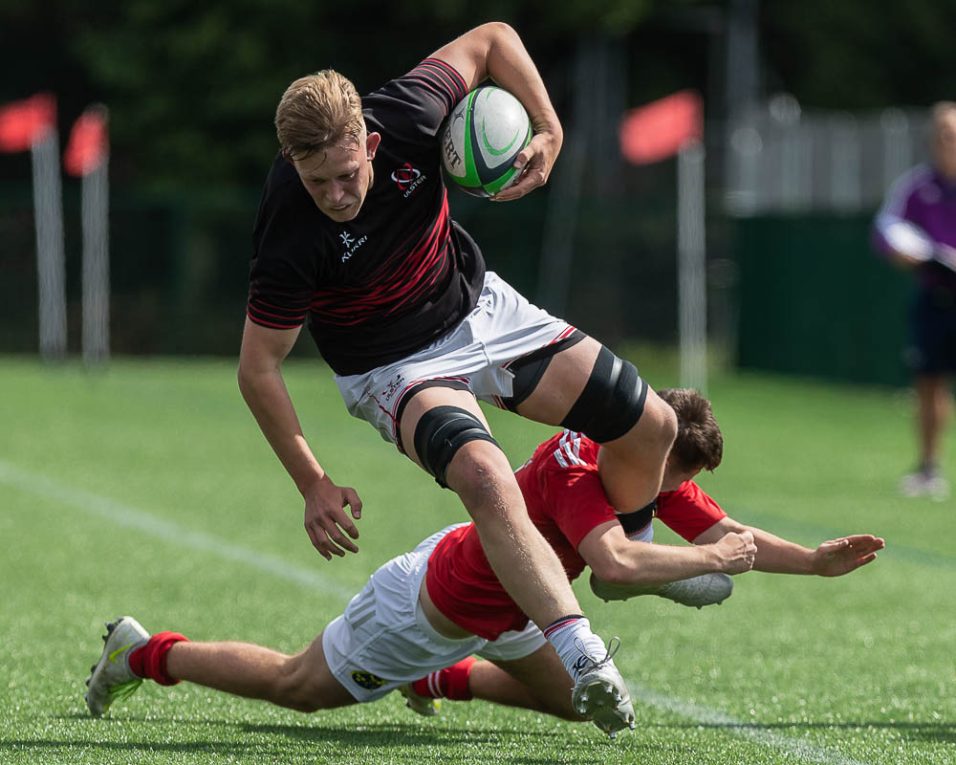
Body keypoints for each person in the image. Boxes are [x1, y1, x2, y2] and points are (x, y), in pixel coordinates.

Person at [238, 20, 677, 720]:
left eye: (348, 174)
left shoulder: (411, 112)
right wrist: (312, 482)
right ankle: (582, 653)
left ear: (372, 142)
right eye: (317, 181)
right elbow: (259, 367)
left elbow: (494, 37)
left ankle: (628, 559)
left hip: (479, 309)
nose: (337, 194)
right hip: (393, 367)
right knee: (484, 476)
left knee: (653, 421)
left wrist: (549, 128)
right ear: (293, 164)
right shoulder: (291, 229)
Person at [84, 390, 883, 734]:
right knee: (298, 689)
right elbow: (615, 568)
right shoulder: (584, 475)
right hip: (436, 606)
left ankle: (439, 681)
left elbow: (719, 531)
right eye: (679, 476)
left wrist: (811, 560)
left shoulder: (635, 456)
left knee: (579, 704)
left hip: (521, 610)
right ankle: (146, 652)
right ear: (655, 449)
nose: (676, 490)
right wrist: (720, 562)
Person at [873, 101, 956, 500]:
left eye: (954, 134)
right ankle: (928, 468)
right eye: (942, 134)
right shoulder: (917, 187)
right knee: (929, 384)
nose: (948, 141)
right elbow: (886, 230)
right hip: (936, 298)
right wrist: (902, 251)